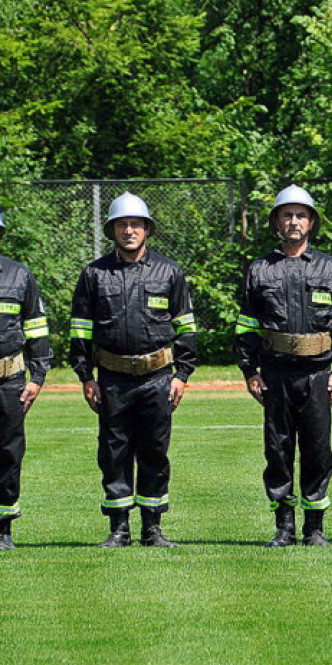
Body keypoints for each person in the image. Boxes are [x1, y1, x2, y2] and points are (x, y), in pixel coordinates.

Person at [70, 192, 197, 548]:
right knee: (114, 453)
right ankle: (119, 528)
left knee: (155, 451)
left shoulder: (169, 272)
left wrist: (182, 375)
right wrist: (86, 377)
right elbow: (80, 330)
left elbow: (186, 327)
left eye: (136, 224)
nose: (129, 230)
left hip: (159, 377)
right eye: (122, 225)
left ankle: (152, 528)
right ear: (112, 230)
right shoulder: (94, 274)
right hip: (112, 380)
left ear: (147, 229)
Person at [236, 185, 332, 547]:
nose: (293, 222)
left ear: (311, 222)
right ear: (277, 222)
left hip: (317, 374)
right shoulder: (260, 269)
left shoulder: (330, 267)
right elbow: (246, 328)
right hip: (275, 374)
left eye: (301, 215)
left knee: (318, 450)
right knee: (277, 450)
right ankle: (284, 526)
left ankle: (314, 527)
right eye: (286, 215)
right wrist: (250, 372)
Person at [0, 206, 52, 550]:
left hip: (9, 381)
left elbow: (36, 327)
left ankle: (2, 529)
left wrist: (38, 376)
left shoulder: (19, 276)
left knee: (7, 453)